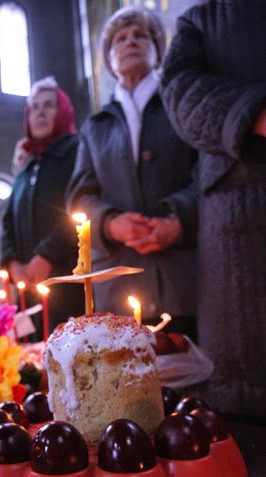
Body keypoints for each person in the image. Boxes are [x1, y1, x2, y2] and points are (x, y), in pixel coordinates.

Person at [160, 0, 266, 419]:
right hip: (236, 213)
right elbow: (180, 88)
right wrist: (253, 113)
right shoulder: (204, 19)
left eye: (138, 36)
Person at [66, 7, 198, 339]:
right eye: (120, 39)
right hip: (117, 284)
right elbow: (80, 197)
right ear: (109, 59)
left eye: (140, 35)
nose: (130, 42)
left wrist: (179, 220)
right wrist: (110, 224)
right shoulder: (96, 126)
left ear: (157, 50)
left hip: (183, 281)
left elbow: (208, 175)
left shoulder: (181, 107)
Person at [0, 76, 84, 337]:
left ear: (63, 111)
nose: (40, 113)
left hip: (66, 280)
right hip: (29, 285)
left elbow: (78, 205)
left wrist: (47, 255)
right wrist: (12, 263)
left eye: (49, 105)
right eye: (34, 107)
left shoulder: (75, 151)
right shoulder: (26, 167)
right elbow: (8, 221)